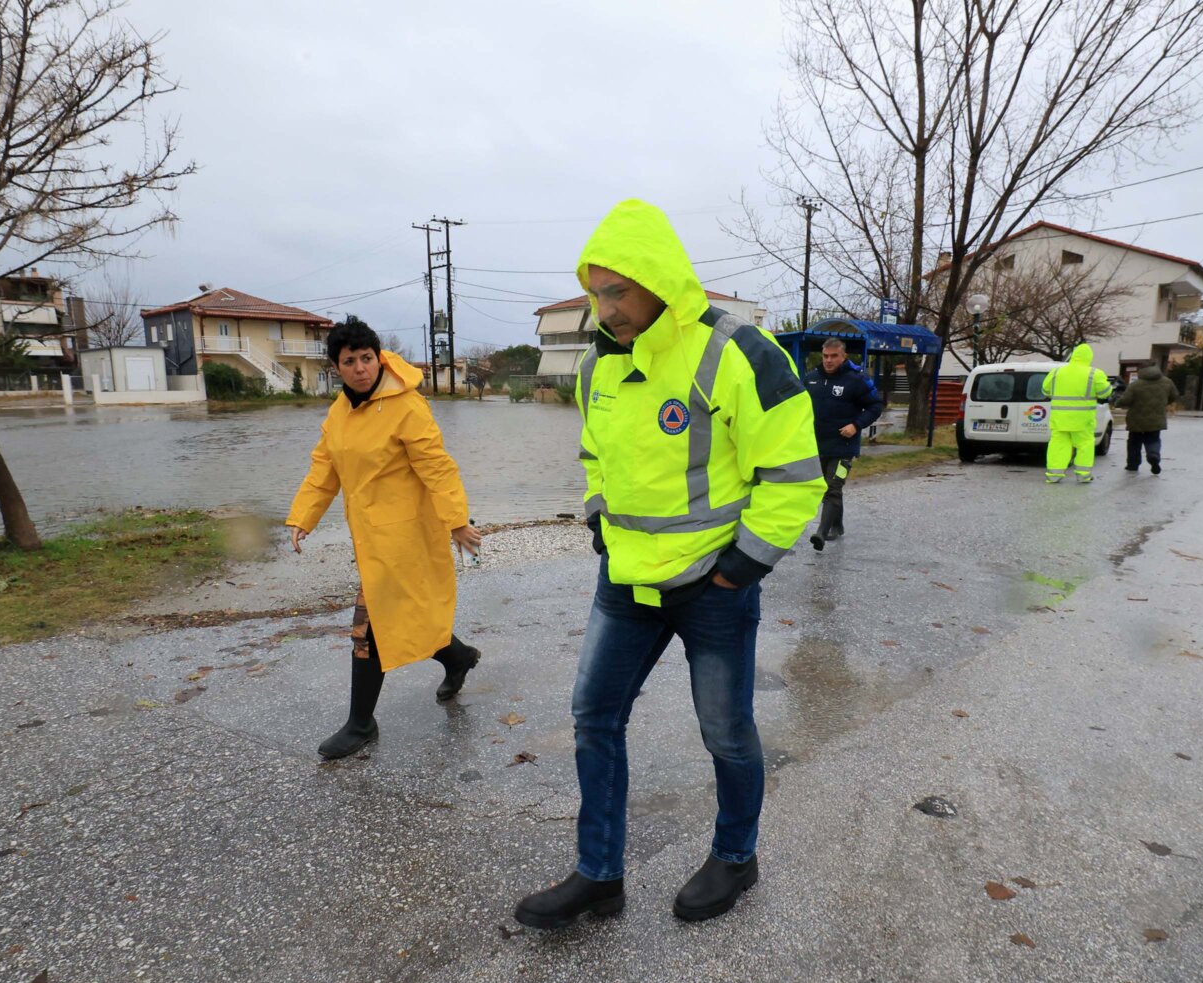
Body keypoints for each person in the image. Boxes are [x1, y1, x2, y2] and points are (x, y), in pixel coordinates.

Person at [512, 200, 824, 929]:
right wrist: (597, 518)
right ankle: (599, 876)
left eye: (616, 290)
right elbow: (593, 455)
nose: (604, 308)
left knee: (725, 732)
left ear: (658, 280)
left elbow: (793, 470)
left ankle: (736, 857)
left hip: (712, 584)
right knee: (594, 716)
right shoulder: (597, 368)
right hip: (625, 580)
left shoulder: (738, 351)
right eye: (595, 292)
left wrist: (742, 567)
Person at [286, 316, 483, 759]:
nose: (360, 368)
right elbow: (324, 470)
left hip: (410, 536)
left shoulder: (407, 406)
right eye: (350, 361)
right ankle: (457, 657)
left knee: (369, 628)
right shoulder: (339, 413)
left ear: (379, 357)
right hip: (371, 540)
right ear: (337, 367)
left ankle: (360, 725)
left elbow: (437, 467)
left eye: (367, 358)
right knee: (403, 615)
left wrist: (457, 521)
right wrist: (303, 517)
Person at [801, 337, 883, 549]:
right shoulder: (811, 379)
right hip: (816, 446)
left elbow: (875, 407)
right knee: (825, 489)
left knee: (833, 488)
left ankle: (821, 532)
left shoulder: (856, 380)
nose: (828, 360)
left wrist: (856, 425)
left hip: (843, 447)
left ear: (843, 356)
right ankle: (837, 525)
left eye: (834, 356)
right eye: (825, 356)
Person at [1041, 343, 1112, 484]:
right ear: (1089, 358)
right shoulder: (1094, 373)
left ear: (1073, 356)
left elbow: (1045, 391)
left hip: (1059, 419)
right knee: (1085, 446)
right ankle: (1083, 475)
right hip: (1082, 420)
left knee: (1058, 446)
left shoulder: (1056, 372)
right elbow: (1105, 392)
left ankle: (1054, 475)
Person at [1115, 364, 1179, 475]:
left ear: (1141, 371)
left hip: (1136, 419)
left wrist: (1117, 402)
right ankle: (1153, 455)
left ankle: (1132, 465)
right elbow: (1174, 395)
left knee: (1134, 442)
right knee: (1153, 439)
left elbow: (1125, 400)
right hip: (1157, 418)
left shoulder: (1135, 385)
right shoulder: (1167, 382)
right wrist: (1163, 402)